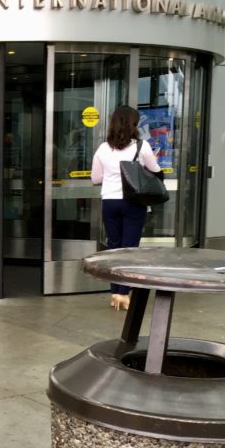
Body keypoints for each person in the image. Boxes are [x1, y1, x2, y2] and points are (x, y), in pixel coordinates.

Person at [91, 104, 161, 311]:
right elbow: (155, 170)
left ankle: (114, 293)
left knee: (114, 247)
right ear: (134, 124)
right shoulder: (142, 146)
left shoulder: (103, 148)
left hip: (110, 202)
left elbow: (95, 178)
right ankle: (124, 294)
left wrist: (112, 175)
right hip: (133, 202)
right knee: (129, 248)